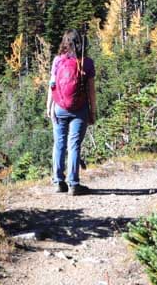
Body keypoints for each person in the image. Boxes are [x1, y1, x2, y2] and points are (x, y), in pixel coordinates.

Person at [46, 28, 96, 194]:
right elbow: (91, 90)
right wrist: (93, 111)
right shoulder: (86, 63)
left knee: (59, 143)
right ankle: (73, 184)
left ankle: (58, 181)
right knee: (74, 144)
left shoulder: (58, 61)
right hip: (79, 109)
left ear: (64, 43)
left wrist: (49, 106)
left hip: (59, 107)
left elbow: (52, 84)